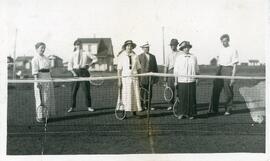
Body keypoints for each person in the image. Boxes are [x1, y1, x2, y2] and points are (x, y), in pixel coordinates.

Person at [208, 34, 239, 116]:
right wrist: (217, 70)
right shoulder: (220, 50)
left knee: (228, 90)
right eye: (222, 41)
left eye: (225, 41)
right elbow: (218, 60)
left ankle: (228, 109)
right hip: (220, 69)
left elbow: (235, 65)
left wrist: (233, 77)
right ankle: (214, 109)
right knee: (216, 89)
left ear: (228, 40)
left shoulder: (233, 50)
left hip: (228, 69)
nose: (224, 42)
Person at [67, 40, 98, 113]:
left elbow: (95, 59)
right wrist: (73, 73)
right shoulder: (73, 54)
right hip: (75, 72)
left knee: (86, 91)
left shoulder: (86, 52)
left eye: (80, 44)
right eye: (77, 45)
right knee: (73, 91)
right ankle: (72, 107)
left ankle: (89, 107)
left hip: (84, 72)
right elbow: (69, 65)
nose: (79, 46)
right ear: (75, 46)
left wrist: (89, 64)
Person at [174, 41, 199, 119]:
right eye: (184, 48)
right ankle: (181, 113)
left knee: (191, 98)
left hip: (191, 81)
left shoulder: (194, 57)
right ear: (182, 49)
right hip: (181, 81)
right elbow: (176, 70)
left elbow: (197, 69)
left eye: (187, 47)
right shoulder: (179, 58)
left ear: (189, 48)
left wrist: (197, 78)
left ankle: (191, 114)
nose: (186, 49)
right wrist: (175, 81)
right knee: (182, 98)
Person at [117, 40, 143, 118]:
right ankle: (123, 113)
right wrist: (119, 80)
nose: (129, 47)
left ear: (132, 47)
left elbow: (139, 68)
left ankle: (134, 112)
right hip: (125, 79)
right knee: (125, 95)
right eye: (127, 46)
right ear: (125, 47)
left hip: (134, 78)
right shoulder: (121, 56)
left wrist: (140, 78)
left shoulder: (135, 56)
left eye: (130, 46)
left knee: (135, 95)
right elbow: (119, 69)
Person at [32, 42, 56, 123]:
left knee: (47, 97)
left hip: (48, 78)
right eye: (41, 48)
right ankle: (40, 116)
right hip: (39, 79)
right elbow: (35, 72)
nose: (43, 49)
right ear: (36, 49)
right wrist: (37, 82)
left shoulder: (47, 58)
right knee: (40, 98)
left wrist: (51, 79)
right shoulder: (35, 59)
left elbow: (49, 70)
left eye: (44, 48)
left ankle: (46, 115)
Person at [138, 42, 159, 111]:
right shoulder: (139, 56)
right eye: (145, 47)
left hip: (150, 78)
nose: (147, 48)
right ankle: (141, 106)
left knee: (149, 92)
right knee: (142, 92)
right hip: (142, 78)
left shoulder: (153, 56)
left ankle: (148, 106)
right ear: (143, 49)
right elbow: (138, 68)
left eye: (148, 47)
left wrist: (156, 78)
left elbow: (155, 67)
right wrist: (139, 78)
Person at [164, 39, 182, 110]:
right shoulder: (168, 55)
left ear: (176, 45)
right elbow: (166, 67)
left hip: (179, 72)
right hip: (171, 73)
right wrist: (165, 78)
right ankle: (171, 105)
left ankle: (179, 104)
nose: (172, 46)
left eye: (174, 45)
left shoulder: (181, 54)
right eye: (171, 45)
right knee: (171, 89)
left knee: (179, 89)